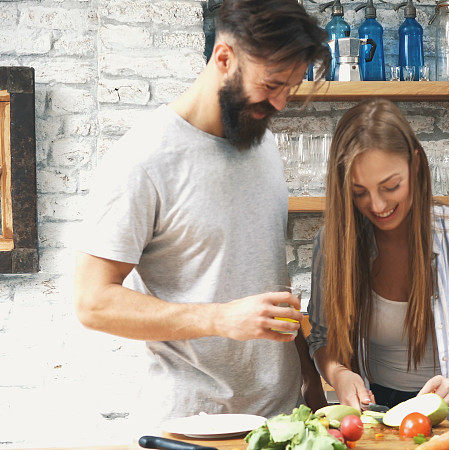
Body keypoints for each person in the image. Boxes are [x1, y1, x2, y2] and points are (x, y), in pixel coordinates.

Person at [73, 0, 330, 423]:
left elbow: (269, 279)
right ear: (224, 58)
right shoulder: (143, 159)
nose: (281, 104)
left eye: (292, 88)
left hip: (283, 421)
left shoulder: (261, 143)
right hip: (190, 427)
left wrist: (309, 381)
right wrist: (220, 318)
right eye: (271, 85)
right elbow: (92, 302)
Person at [306, 99, 449, 424]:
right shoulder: (333, 243)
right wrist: (339, 374)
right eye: (359, 192)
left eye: (390, 186)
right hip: (378, 417)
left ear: (416, 164)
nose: (378, 205)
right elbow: (322, 337)